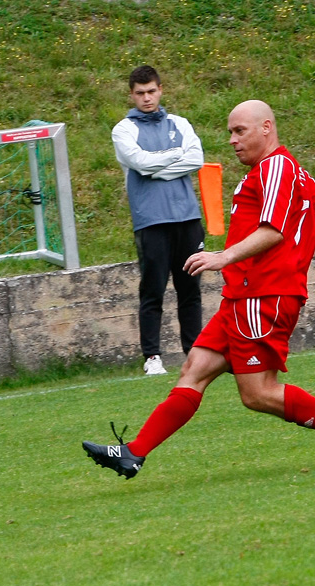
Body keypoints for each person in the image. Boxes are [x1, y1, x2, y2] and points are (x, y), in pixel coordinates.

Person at [83, 100, 315, 479]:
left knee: (258, 394)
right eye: (230, 132)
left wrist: (224, 257)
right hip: (242, 297)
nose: (232, 140)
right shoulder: (289, 171)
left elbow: (274, 231)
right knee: (194, 369)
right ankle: (133, 453)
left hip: (264, 297)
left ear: (266, 128)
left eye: (240, 131)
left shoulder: (277, 169)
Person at [112, 65, 206, 376]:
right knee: (152, 289)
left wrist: (156, 167)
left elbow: (196, 159)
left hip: (188, 217)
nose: (146, 98)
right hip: (150, 221)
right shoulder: (123, 130)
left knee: (189, 288)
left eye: (151, 91)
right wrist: (174, 157)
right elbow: (138, 163)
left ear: (161, 90)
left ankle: (193, 353)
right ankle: (152, 356)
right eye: (140, 93)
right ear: (131, 95)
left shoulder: (179, 123)